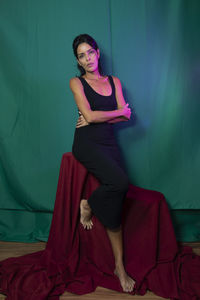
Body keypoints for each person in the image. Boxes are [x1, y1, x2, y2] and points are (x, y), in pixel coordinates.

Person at [69, 34, 135, 293]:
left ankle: (119, 266)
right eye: (81, 56)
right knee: (119, 182)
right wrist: (116, 112)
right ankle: (89, 203)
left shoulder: (114, 81)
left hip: (108, 143)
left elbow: (126, 116)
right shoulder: (76, 82)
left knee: (118, 196)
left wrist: (102, 116)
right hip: (86, 143)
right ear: (78, 60)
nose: (87, 59)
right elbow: (89, 116)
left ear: (98, 53)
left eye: (90, 53)